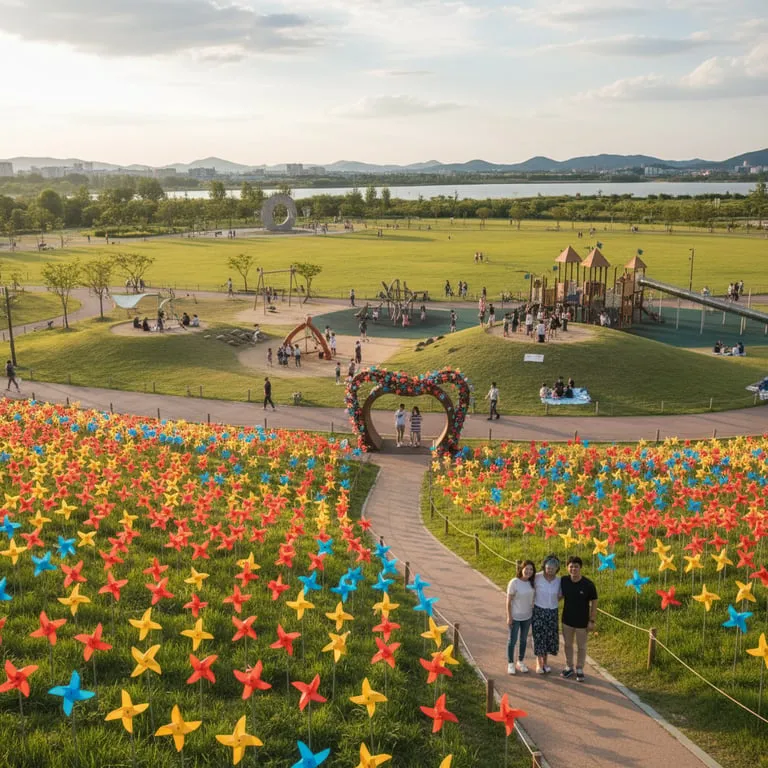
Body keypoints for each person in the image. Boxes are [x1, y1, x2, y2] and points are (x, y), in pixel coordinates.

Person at [560, 556, 598, 683]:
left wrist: (592, 620)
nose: (573, 569)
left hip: (582, 622)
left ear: (580, 567)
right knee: (567, 645)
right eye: (571, 566)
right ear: (567, 568)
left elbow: (594, 602)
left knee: (581, 646)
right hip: (567, 620)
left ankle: (580, 668)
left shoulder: (588, 584)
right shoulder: (564, 581)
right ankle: (569, 666)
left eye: (576, 566)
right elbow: (558, 595)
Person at [506, 560, 536, 674]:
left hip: (527, 616)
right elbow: (508, 601)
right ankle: (510, 663)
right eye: (526, 569)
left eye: (531, 569)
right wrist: (509, 617)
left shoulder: (532, 583)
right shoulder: (514, 582)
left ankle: (520, 661)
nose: (528, 571)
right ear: (521, 569)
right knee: (512, 640)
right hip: (515, 617)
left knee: (523, 640)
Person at [533, 555, 561, 674]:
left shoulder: (559, 580)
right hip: (539, 610)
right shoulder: (537, 577)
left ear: (557, 569)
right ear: (544, 567)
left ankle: (545, 662)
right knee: (539, 637)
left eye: (553, 568)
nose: (550, 570)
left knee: (549, 637)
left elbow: (561, 595)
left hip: (552, 611)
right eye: (548, 567)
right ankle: (539, 663)